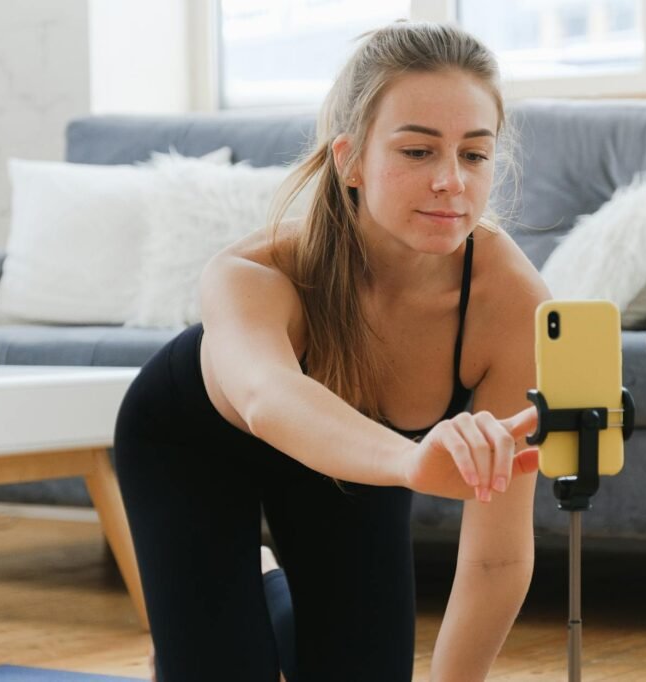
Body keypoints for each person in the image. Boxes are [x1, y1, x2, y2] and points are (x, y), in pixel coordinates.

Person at [114, 20, 550, 682]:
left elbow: (497, 557)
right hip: (193, 447)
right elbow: (268, 399)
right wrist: (411, 462)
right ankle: (229, 606)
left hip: (353, 463)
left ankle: (264, 594)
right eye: (416, 152)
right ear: (350, 159)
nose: (451, 182)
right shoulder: (251, 273)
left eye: (474, 154)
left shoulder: (511, 302)